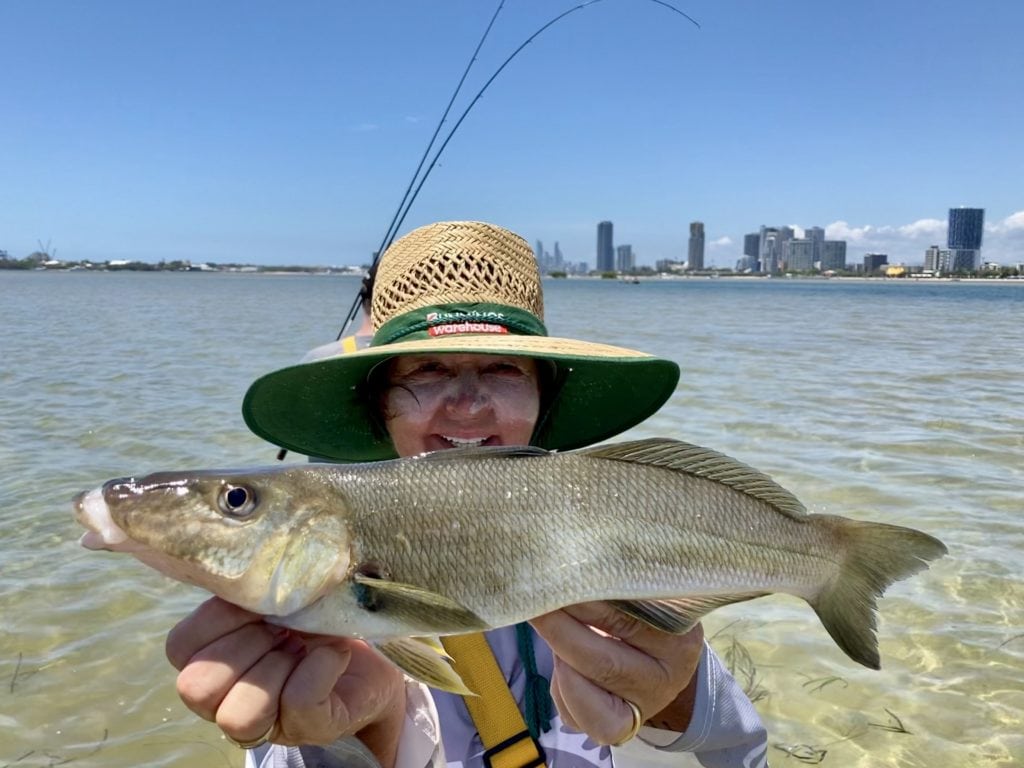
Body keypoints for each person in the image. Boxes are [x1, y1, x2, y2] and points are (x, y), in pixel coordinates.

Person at [165, 221, 769, 768]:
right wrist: (362, 735)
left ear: (543, 400)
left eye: (505, 369)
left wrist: (674, 699)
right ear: (379, 405)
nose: (469, 403)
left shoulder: (609, 540)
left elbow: (739, 754)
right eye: (426, 370)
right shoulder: (304, 590)